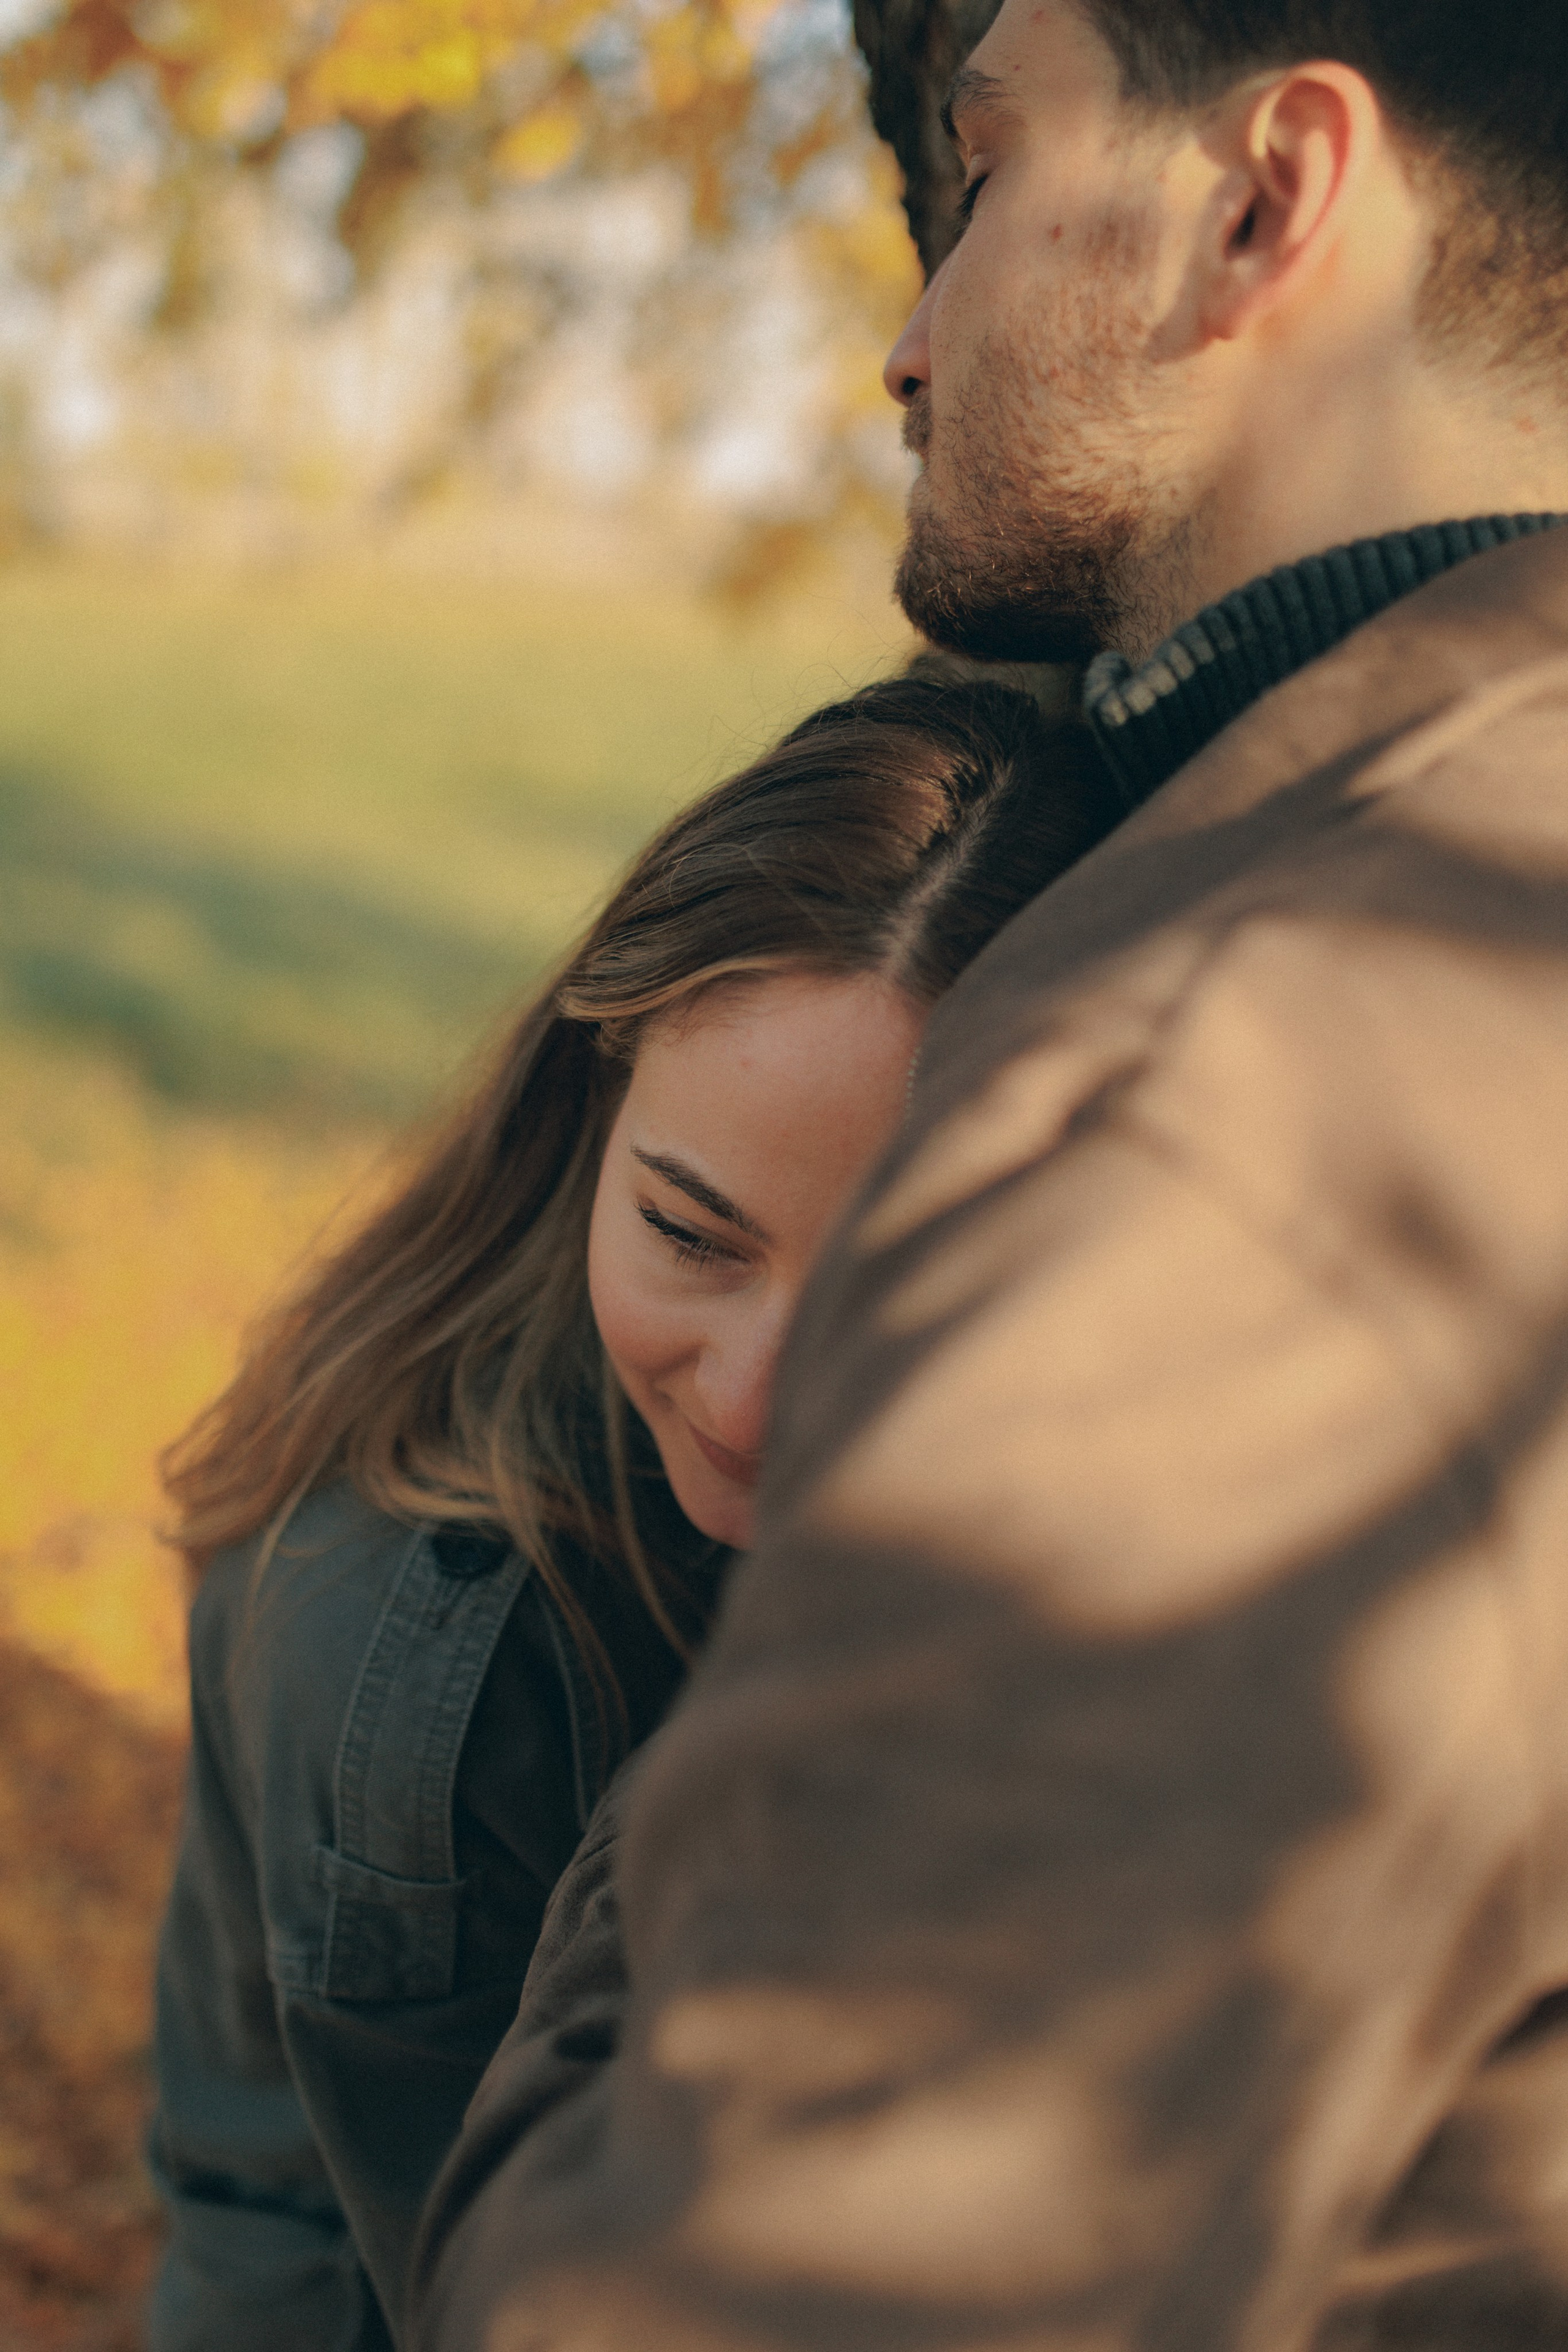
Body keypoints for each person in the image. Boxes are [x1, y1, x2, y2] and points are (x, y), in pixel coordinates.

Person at [411, 6, 1568, 2351]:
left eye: (991, 165)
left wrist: (757, 1729)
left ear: (1264, 203)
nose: (909, 340)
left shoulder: (1235, 1092)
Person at [145, 675, 1120, 2352]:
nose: (748, 1404)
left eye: (893, 1278)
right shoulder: (436, 1678)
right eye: (689, 1236)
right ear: (594, 1108)